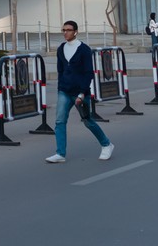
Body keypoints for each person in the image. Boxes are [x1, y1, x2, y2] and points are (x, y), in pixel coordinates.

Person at [44, 21, 112, 165]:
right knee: (59, 121)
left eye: (68, 30)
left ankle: (106, 144)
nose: (65, 32)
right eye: (63, 30)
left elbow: (89, 73)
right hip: (64, 91)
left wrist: (82, 93)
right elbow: (60, 71)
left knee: (87, 121)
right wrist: (60, 88)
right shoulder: (61, 49)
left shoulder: (84, 49)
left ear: (75, 32)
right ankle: (60, 153)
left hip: (80, 93)